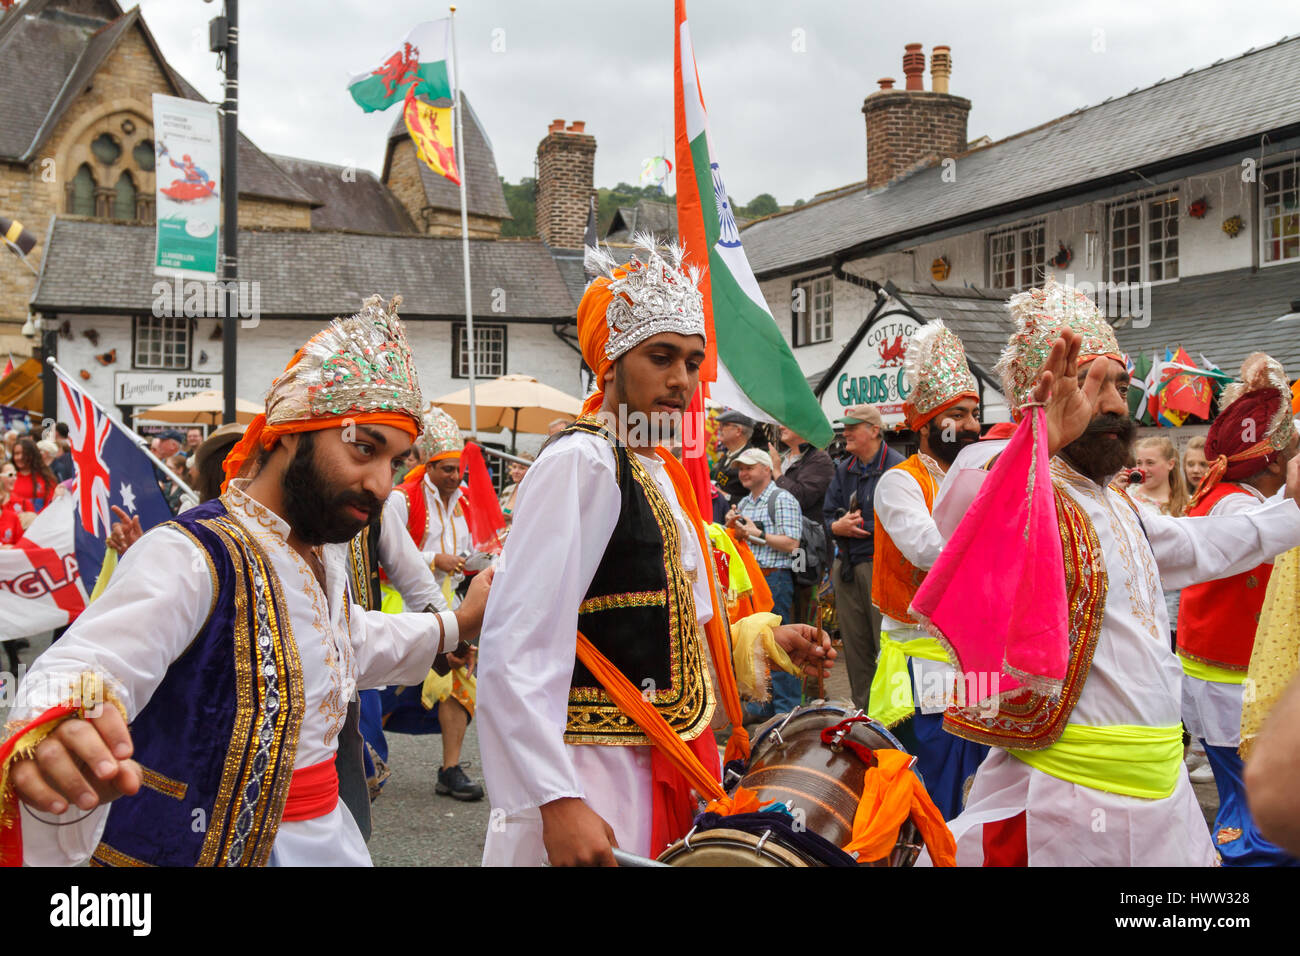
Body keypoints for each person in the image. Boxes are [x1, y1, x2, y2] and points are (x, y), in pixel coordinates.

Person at [0, 295, 493, 867]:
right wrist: (63, 718)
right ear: (287, 432)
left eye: (396, 463)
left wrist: (455, 625)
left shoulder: (321, 553)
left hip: (327, 837)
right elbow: (87, 663)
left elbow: (344, 644)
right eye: (364, 448)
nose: (382, 484)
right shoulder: (191, 553)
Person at [477, 239, 834, 866]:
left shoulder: (657, 470)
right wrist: (556, 799)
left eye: (693, 362)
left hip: (663, 753)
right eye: (661, 357)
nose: (681, 381)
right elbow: (516, 646)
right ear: (609, 364)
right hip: (594, 767)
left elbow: (668, 625)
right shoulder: (582, 463)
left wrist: (764, 641)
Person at [932, 278, 1300, 866]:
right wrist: (1039, 437)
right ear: (1043, 395)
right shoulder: (1013, 477)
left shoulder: (1119, 503)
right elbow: (964, 514)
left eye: (1119, 386)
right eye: (1086, 383)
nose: (1110, 404)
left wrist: (1293, 511)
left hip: (1165, 787)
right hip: (1065, 798)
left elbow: (1206, 542)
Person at [1176, 353, 1300, 865]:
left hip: (1218, 679)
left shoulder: (1224, 495)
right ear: (1273, 458)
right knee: (1260, 811)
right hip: (1235, 684)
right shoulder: (1239, 506)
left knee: (1243, 800)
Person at [867, 320, 989, 820]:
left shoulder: (983, 476)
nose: (970, 425)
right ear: (927, 424)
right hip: (925, 655)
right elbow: (927, 550)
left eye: (974, 413)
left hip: (979, 652)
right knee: (937, 771)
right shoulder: (899, 482)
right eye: (957, 414)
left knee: (982, 767)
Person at [381, 405, 483, 801]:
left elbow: (469, 547)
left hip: (451, 605)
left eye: (458, 469)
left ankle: (450, 768)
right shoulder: (401, 499)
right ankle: (363, 754)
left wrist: (476, 562)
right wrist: (433, 560)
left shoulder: (468, 501)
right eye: (446, 468)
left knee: (457, 683)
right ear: (428, 465)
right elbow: (389, 552)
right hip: (400, 606)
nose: (454, 476)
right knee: (383, 688)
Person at [823, 403, 903, 712]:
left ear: (874, 430)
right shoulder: (844, 469)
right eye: (845, 427)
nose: (846, 433)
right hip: (847, 567)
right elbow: (827, 514)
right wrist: (836, 526)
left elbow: (901, 520)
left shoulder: (897, 467)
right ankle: (863, 714)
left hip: (882, 567)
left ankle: (893, 717)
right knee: (856, 650)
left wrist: (857, 525)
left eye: (852, 427)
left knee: (886, 645)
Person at [727, 446, 803, 718]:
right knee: (758, 646)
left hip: (775, 579)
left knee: (780, 646)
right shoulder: (745, 503)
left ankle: (788, 712)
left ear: (766, 469)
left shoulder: (782, 499)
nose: (743, 473)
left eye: (748, 467)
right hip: (753, 584)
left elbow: (792, 544)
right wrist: (732, 531)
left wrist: (754, 533)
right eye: (741, 468)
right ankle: (766, 709)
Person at [711, 409, 760, 509]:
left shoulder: (752, 459)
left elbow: (756, 500)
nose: (719, 429)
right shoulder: (727, 455)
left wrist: (724, 495)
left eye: (724, 425)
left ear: (738, 431)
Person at [1132, 436, 1189, 517]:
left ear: (1170, 464)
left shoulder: (1187, 505)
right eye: (1139, 463)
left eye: (1150, 463)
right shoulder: (1127, 496)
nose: (1143, 470)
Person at [10, 436, 56, 513]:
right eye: (17, 453)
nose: (20, 457)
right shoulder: (7, 477)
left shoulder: (46, 478)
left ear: (33, 455)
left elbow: (51, 503)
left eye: (25, 454)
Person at [498, 452, 534, 526]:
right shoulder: (507, 489)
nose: (516, 471)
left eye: (522, 468)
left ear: (531, 470)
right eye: (514, 467)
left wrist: (512, 518)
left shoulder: (533, 491)